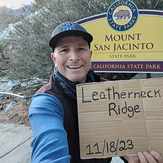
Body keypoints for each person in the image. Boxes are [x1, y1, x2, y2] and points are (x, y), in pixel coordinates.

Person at [28, 22, 163, 163]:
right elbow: (49, 154)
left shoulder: (109, 91)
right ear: (54, 58)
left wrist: (132, 152)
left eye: (81, 48)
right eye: (64, 50)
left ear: (90, 54)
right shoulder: (45, 102)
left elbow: (123, 134)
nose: (74, 57)